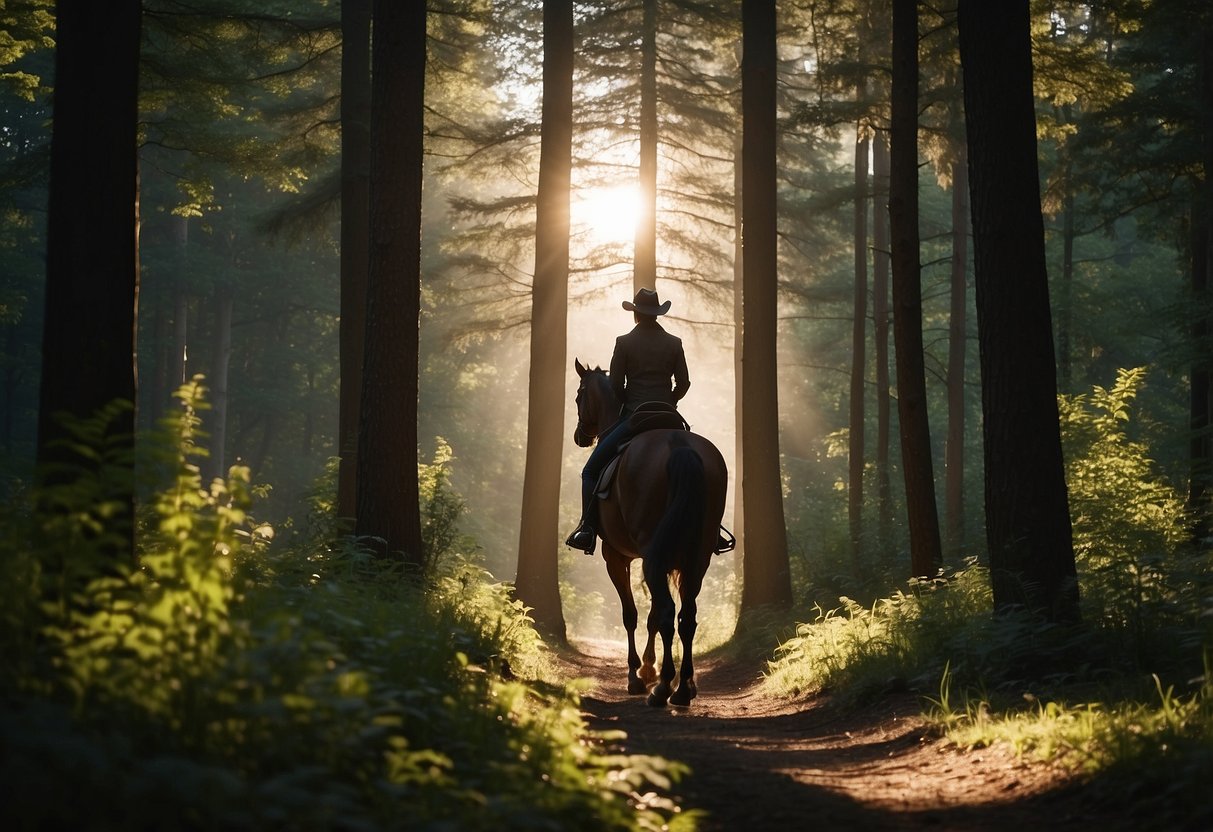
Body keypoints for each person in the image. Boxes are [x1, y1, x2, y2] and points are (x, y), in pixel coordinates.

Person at [566, 288, 690, 555]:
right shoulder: (674, 342)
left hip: (635, 417)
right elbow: (684, 383)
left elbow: (615, 384)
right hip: (669, 417)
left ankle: (587, 530)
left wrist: (627, 402)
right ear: (657, 314)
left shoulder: (624, 342)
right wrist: (670, 402)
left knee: (589, 472)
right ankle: (712, 531)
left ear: (635, 314)